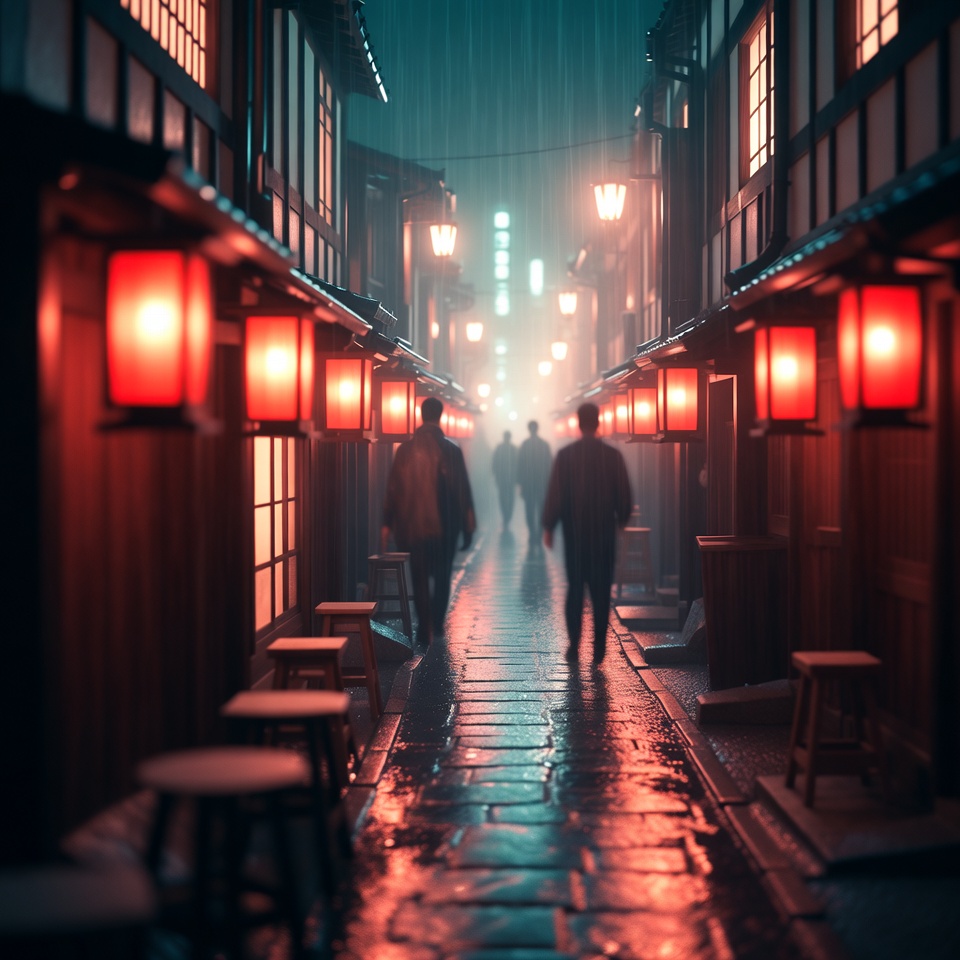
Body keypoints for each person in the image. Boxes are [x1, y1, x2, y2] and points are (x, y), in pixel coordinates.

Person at [381, 396, 476, 646]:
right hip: (446, 526)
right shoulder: (451, 450)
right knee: (443, 575)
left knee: (420, 575)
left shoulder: (404, 450)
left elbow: (393, 488)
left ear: (421, 416)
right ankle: (438, 621)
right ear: (440, 416)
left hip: (412, 524)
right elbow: (462, 490)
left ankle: (425, 626)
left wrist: (386, 522)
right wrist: (468, 525)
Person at [542, 402, 632, 663]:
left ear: (579, 424)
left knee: (575, 589)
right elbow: (624, 494)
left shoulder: (566, 455)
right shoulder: (612, 456)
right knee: (602, 590)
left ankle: (573, 644)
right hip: (604, 533)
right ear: (598, 422)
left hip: (576, 534)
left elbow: (556, 494)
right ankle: (599, 647)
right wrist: (621, 520)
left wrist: (550, 525)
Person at [516, 420, 552, 550]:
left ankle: (532, 533)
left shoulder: (525, 445)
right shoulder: (544, 445)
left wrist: (520, 483)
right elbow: (549, 465)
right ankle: (538, 534)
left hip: (528, 484)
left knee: (529, 510)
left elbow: (520, 465)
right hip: (541, 484)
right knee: (541, 510)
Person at [491, 430, 519, 530]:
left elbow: (494, 462)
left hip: (502, 478)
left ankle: (505, 516)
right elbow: (518, 464)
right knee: (510, 498)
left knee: (502, 498)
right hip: (511, 478)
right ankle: (508, 516)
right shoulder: (514, 449)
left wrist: (495, 474)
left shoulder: (499, 448)